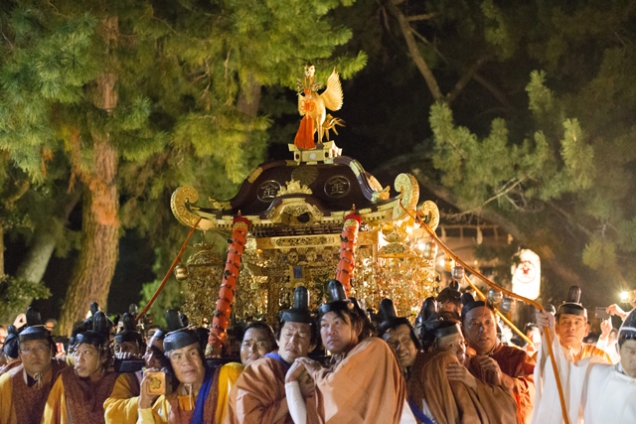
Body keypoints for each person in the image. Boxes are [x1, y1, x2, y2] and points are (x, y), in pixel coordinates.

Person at [289, 280, 408, 423]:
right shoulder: (329, 369)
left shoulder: (374, 348)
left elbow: (336, 386)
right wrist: (290, 383)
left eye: (337, 323)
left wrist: (316, 372)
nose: (330, 331)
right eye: (324, 325)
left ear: (357, 327)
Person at [227, 286, 320, 424]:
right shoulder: (258, 371)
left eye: (301, 336)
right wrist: (295, 393)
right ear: (278, 340)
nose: (292, 341)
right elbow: (249, 419)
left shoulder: (313, 373)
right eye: (288, 334)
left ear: (311, 345)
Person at [137, 310, 244, 423]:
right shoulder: (167, 404)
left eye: (192, 353)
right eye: (177, 357)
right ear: (169, 365)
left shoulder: (229, 376)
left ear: (201, 355)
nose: (186, 361)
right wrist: (144, 404)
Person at [532, 308, 636, 423]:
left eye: (577, 322)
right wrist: (549, 332)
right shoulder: (598, 374)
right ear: (617, 349)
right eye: (631, 351)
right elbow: (558, 374)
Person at [462, 297, 535, 424]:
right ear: (463, 331)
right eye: (474, 323)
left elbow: (535, 391)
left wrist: (503, 378)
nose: (483, 329)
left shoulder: (517, 357)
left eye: (488, 322)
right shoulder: (461, 361)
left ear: (496, 326)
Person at [42, 310, 118, 423]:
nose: (79, 359)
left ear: (104, 356)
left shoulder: (116, 382)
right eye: (76, 353)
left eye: (87, 352)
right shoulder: (66, 380)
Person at [0, 308, 67, 424]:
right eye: (26, 349)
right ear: (20, 354)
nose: (34, 354)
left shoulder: (65, 378)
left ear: (51, 350)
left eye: (40, 347)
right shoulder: (7, 383)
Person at [104, 312, 148, 423]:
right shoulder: (107, 375)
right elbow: (112, 412)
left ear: (141, 350)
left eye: (127, 347)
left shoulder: (146, 373)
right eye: (118, 349)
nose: (122, 353)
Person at [552, 286, 610, 364]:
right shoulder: (544, 357)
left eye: (577, 322)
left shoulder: (599, 356)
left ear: (586, 329)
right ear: (556, 327)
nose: (571, 327)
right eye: (565, 322)